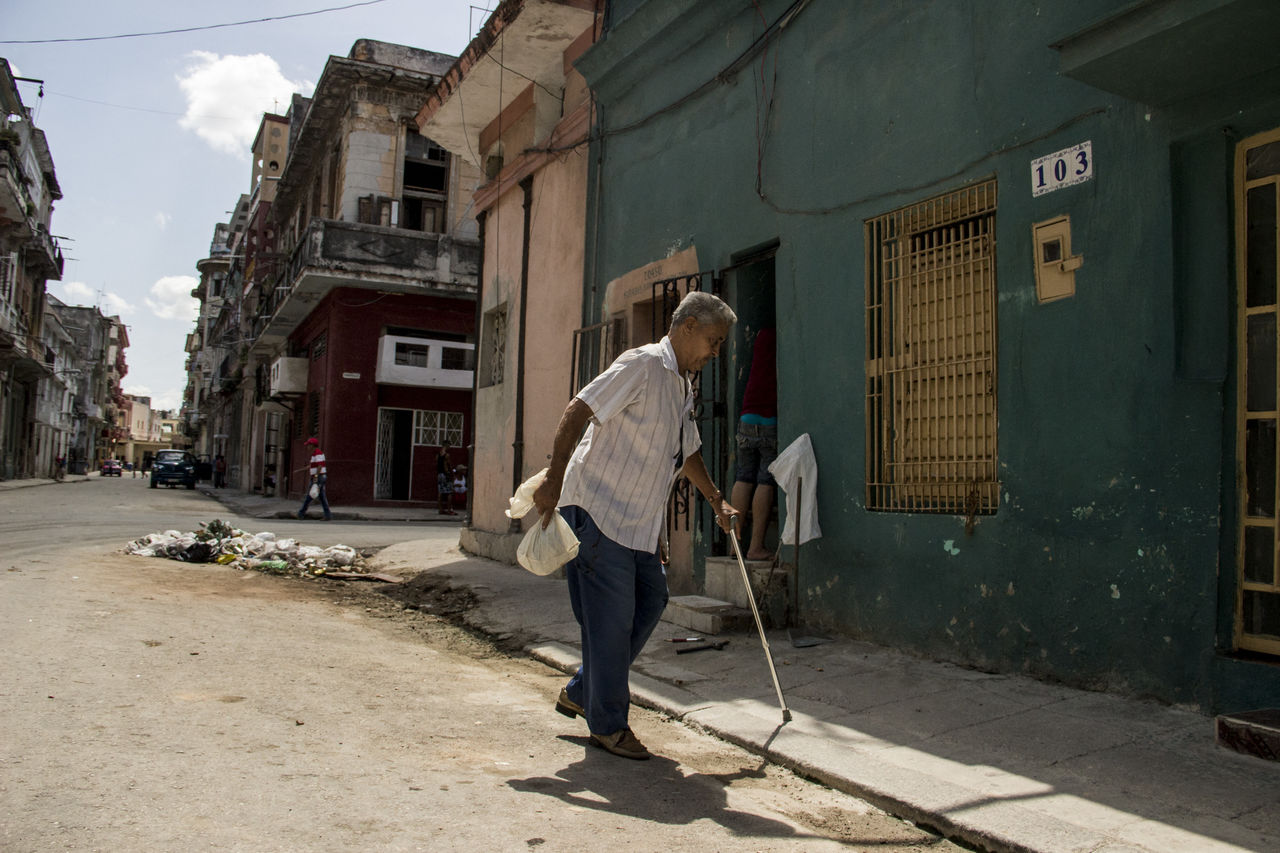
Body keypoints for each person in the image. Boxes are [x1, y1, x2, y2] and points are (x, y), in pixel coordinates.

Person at [532, 291, 741, 760]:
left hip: (640, 526)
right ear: (687, 327)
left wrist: (716, 499)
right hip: (599, 513)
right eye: (713, 340)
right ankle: (607, 724)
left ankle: (585, 691)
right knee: (610, 623)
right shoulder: (642, 365)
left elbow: (686, 453)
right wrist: (553, 476)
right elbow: (579, 409)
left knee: (651, 601)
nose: (715, 351)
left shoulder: (683, 385)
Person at [730, 327, 777, 560]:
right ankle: (755, 546)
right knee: (765, 480)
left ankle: (734, 546)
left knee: (743, 477)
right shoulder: (781, 338)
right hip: (770, 418)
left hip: (747, 417)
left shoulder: (760, 337)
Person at [297, 437, 331, 520]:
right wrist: (300, 470)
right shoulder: (314, 454)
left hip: (319, 477)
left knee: (310, 495)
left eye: (308, 445)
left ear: (312, 445)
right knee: (321, 497)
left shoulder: (317, 453)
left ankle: (301, 513)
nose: (307, 447)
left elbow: (320, 466)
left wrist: (316, 476)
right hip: (318, 476)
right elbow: (313, 466)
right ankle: (327, 515)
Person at [437, 443, 456, 515]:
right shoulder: (447, 455)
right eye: (449, 446)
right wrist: (452, 474)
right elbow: (449, 465)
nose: (449, 448)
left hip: (439, 475)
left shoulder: (438, 455)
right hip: (446, 474)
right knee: (450, 492)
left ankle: (440, 509)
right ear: (446, 446)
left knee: (440, 492)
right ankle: (449, 510)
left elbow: (437, 465)